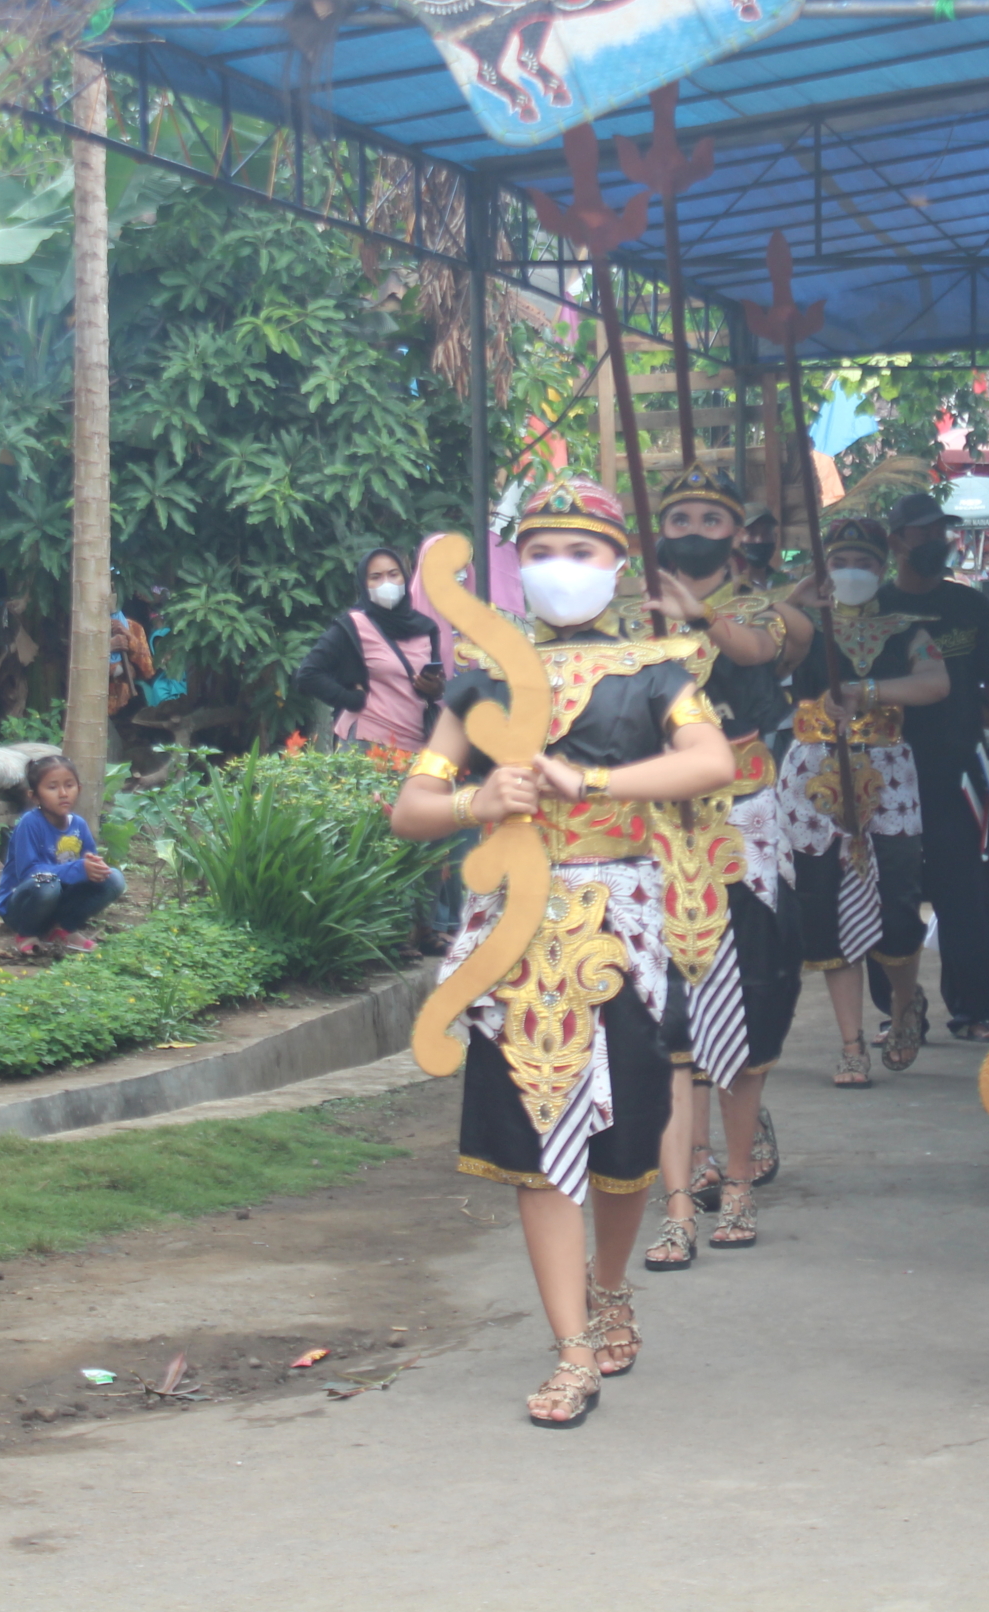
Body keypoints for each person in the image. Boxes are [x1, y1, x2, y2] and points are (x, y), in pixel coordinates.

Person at [388, 478, 735, 1428]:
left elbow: (713, 764)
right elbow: (410, 807)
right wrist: (474, 803)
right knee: (538, 1145)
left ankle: (609, 1284)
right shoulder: (478, 679)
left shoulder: (658, 668)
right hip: (511, 935)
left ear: (618, 567)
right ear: (517, 565)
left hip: (622, 926)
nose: (561, 570)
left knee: (623, 1142)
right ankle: (571, 1344)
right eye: (542, 550)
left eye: (583, 552)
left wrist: (592, 779)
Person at [636, 469, 811, 1270]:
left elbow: (755, 650)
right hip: (659, 827)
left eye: (712, 515)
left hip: (741, 823)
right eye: (681, 514)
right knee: (669, 1018)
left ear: (737, 532)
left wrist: (698, 614)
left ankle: (737, 1176)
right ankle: (677, 1199)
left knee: (756, 1004)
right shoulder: (623, 613)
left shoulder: (758, 612)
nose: (695, 526)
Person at [781, 515, 949, 1085]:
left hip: (886, 772)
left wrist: (865, 691)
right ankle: (851, 1043)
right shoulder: (803, 628)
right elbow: (755, 652)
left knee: (899, 903)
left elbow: (935, 684)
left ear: (883, 570)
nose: (853, 573)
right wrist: (794, 600)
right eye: (842, 563)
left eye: (866, 564)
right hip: (813, 773)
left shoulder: (907, 628)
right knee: (822, 902)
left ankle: (904, 1001)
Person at [876, 491, 989, 1041]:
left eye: (942, 531)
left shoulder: (971, 607)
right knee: (890, 896)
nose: (936, 541)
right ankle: (897, 1008)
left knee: (970, 894)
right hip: (888, 776)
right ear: (897, 542)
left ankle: (976, 1009)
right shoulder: (872, 610)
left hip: (962, 772)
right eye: (923, 532)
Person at [293, 547, 446, 757]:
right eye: (376, 577)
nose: (387, 583)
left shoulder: (425, 628)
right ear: (364, 585)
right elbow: (308, 674)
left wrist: (435, 688)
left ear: (405, 577)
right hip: (367, 742)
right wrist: (349, 699)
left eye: (394, 574)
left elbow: (436, 679)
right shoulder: (353, 626)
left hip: (416, 744)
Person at [0, 755, 124, 956]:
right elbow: (29, 873)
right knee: (47, 883)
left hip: (58, 901)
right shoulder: (30, 824)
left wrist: (95, 867)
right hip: (22, 905)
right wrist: (79, 868)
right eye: (52, 788)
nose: (63, 794)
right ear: (34, 796)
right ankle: (26, 933)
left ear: (78, 789)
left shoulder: (78, 825)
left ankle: (62, 929)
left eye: (69, 785)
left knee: (113, 878)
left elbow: (87, 865)